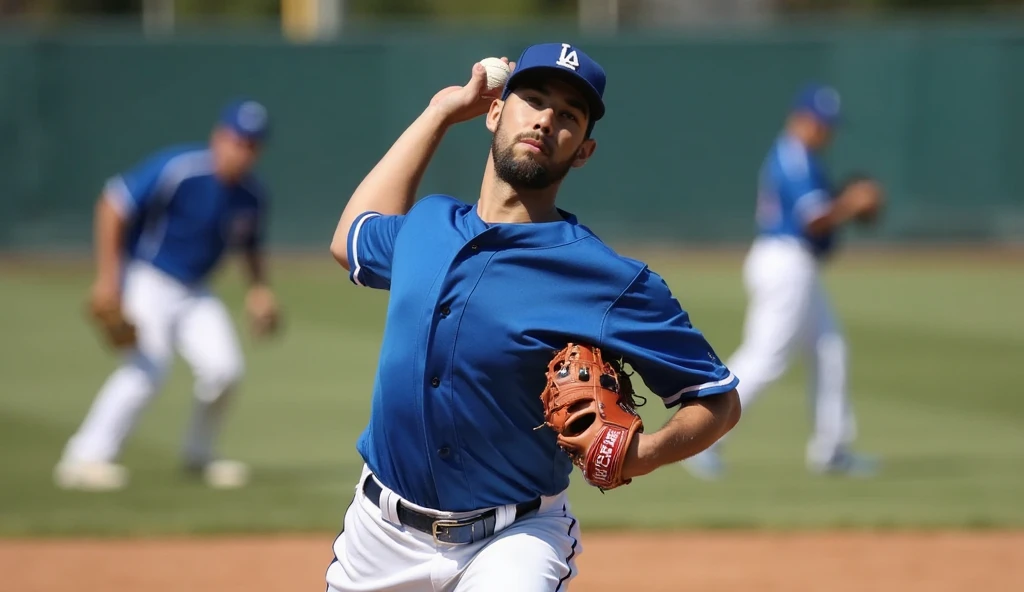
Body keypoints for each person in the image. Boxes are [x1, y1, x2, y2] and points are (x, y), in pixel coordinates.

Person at [325, 42, 742, 591]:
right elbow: (350, 236)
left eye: (568, 115)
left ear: (584, 151)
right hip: (378, 539)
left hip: (513, 540)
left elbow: (716, 398)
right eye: (534, 100)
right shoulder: (426, 225)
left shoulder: (605, 277)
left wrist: (646, 454)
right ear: (495, 112)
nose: (546, 119)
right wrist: (441, 113)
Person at [54, 99, 280, 491]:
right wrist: (109, 280)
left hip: (196, 292)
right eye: (237, 140)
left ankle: (198, 455)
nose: (242, 150)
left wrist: (259, 291)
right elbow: (112, 204)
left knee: (224, 371)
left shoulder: (251, 195)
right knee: (147, 368)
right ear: (219, 137)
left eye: (251, 144)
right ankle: (83, 458)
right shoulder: (180, 168)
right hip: (149, 279)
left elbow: (250, 247)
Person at [683, 84, 884, 480]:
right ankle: (704, 438)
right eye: (819, 123)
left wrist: (845, 205)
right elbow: (814, 219)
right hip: (785, 261)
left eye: (829, 125)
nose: (825, 131)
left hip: (795, 263)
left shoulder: (804, 156)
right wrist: (853, 202)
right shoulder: (794, 158)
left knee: (830, 349)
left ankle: (833, 449)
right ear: (799, 119)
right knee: (767, 356)